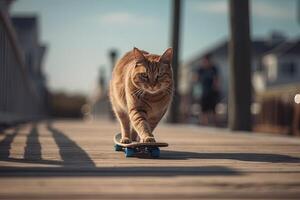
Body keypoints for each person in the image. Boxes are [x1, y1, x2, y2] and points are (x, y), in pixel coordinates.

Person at [194, 53, 220, 125]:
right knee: (203, 109)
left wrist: (216, 89)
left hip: (212, 92)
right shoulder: (200, 69)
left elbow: (217, 80)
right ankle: (204, 123)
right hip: (203, 92)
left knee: (213, 109)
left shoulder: (213, 68)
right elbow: (196, 80)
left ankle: (215, 124)